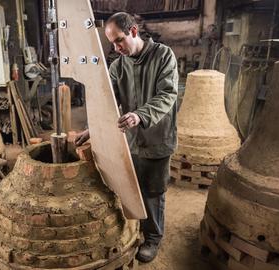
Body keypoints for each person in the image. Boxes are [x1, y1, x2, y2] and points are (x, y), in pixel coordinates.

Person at [75, 12, 178, 263]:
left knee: (152, 192)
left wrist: (139, 115)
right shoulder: (118, 66)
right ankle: (133, 232)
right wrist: (93, 128)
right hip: (129, 142)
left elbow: (167, 95)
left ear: (133, 31)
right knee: (130, 189)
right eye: (112, 43)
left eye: (119, 40)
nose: (116, 47)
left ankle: (152, 238)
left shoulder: (163, 56)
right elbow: (107, 103)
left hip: (157, 139)